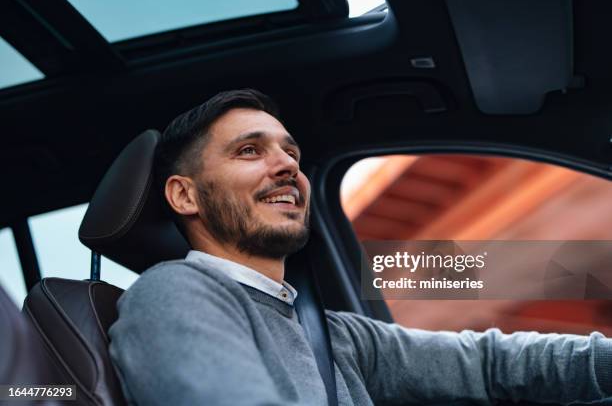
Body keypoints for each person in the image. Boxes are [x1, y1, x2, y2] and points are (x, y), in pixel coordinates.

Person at [108, 89, 612, 406]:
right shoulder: (173, 292)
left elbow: (489, 365)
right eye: (249, 151)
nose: (287, 165)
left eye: (291, 152)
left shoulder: (331, 334)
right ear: (184, 195)